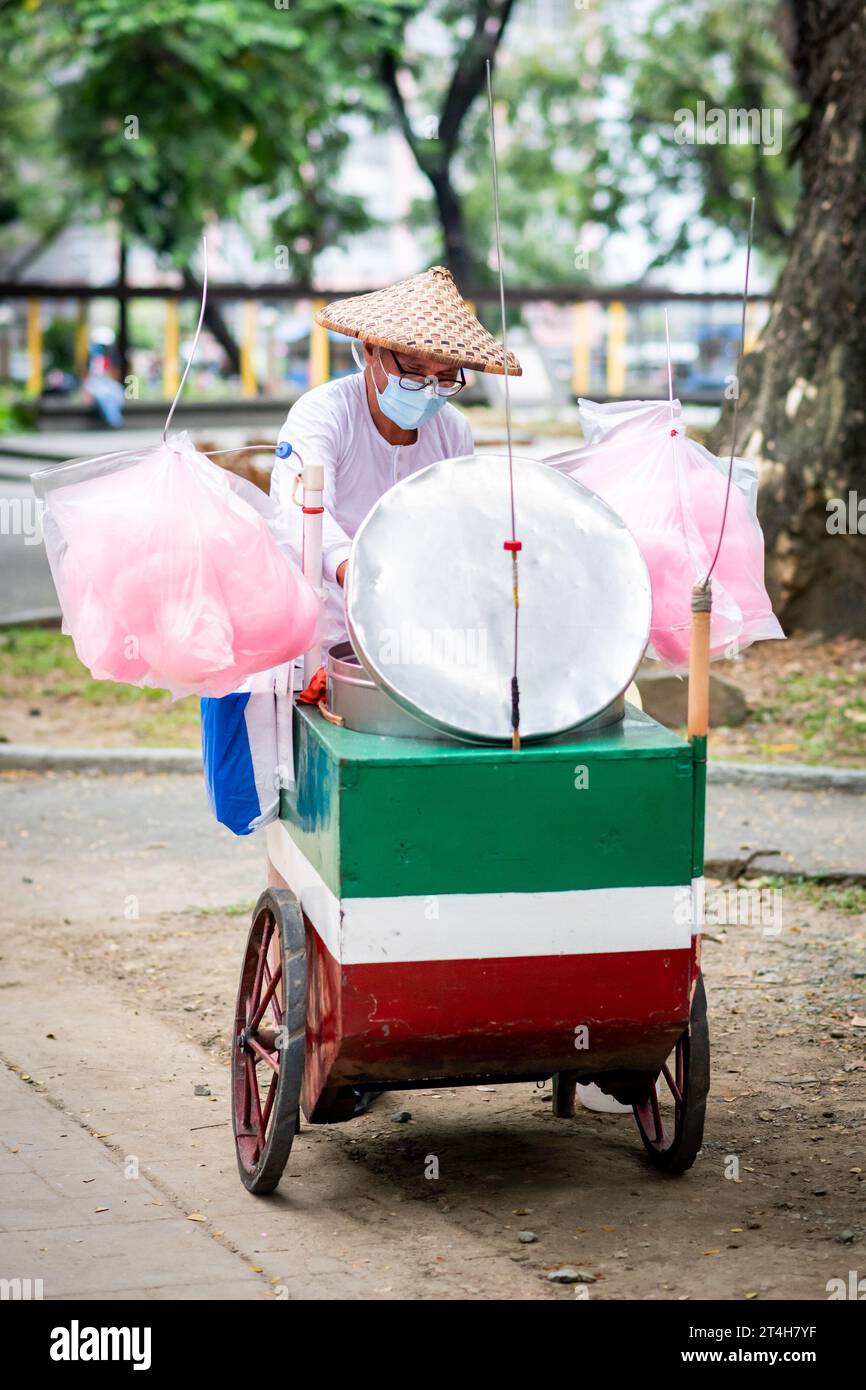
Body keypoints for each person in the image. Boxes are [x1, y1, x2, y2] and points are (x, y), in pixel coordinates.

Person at [271, 265, 522, 657]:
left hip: (410, 626)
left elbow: (457, 527)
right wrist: (355, 571)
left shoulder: (452, 430)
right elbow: (304, 515)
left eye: (444, 378)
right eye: (415, 372)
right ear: (371, 350)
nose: (428, 390)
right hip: (320, 624)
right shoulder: (324, 414)